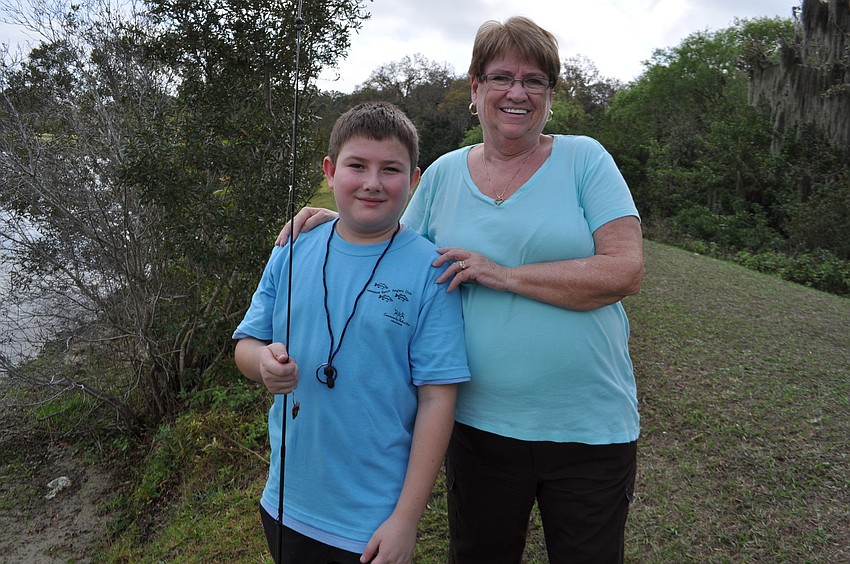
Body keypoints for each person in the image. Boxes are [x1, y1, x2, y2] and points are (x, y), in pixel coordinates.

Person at [277, 16, 644, 564]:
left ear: (549, 94)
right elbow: (398, 250)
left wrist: (504, 275)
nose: (517, 92)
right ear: (475, 88)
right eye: (501, 77)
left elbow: (624, 271)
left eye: (534, 80)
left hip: (588, 428)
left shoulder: (584, 159)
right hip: (479, 430)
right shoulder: (446, 174)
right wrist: (339, 213)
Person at [234, 101, 470, 564]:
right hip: (285, 503)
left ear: (414, 179)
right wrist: (262, 364)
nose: (372, 183)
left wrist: (406, 519)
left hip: (373, 522)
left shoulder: (431, 270)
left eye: (390, 169)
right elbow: (247, 344)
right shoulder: (291, 247)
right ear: (330, 170)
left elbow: (438, 398)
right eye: (356, 165)